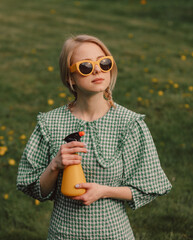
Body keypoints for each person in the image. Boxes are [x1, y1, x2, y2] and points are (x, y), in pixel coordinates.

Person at [17, 34, 172, 240]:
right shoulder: (50, 123)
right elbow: (34, 188)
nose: (98, 70)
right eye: (86, 66)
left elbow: (150, 185)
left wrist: (104, 191)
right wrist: (54, 165)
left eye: (104, 62)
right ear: (70, 77)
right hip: (63, 235)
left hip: (114, 234)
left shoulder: (128, 123)